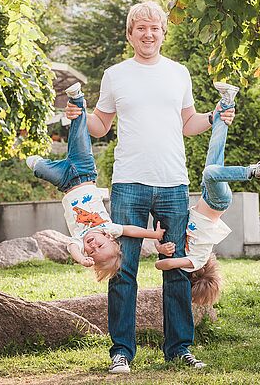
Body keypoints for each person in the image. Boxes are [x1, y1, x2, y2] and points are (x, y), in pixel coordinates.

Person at [65, 0, 236, 374]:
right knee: (123, 269)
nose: (148, 34)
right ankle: (121, 352)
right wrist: (78, 118)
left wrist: (214, 116)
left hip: (174, 182)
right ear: (130, 35)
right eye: (140, 28)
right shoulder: (115, 75)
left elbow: (188, 123)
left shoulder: (179, 73)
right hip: (128, 182)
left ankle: (179, 349)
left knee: (176, 269)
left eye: (154, 28)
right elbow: (101, 125)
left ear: (163, 33)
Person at [26, 83, 166, 281]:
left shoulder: (80, 241)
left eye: (92, 252)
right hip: (85, 173)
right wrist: (154, 234)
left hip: (66, 182)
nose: (92, 246)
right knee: (79, 136)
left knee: (39, 169)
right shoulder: (110, 228)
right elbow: (132, 231)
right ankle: (77, 99)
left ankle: (44, 163)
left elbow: (72, 248)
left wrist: (82, 259)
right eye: (99, 246)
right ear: (109, 238)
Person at [155, 82, 260, 307]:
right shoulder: (194, 261)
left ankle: (227, 101)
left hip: (206, 197)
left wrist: (161, 248)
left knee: (215, 150)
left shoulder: (189, 254)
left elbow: (163, 256)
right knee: (210, 172)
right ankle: (255, 171)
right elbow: (161, 266)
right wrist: (171, 259)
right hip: (217, 202)